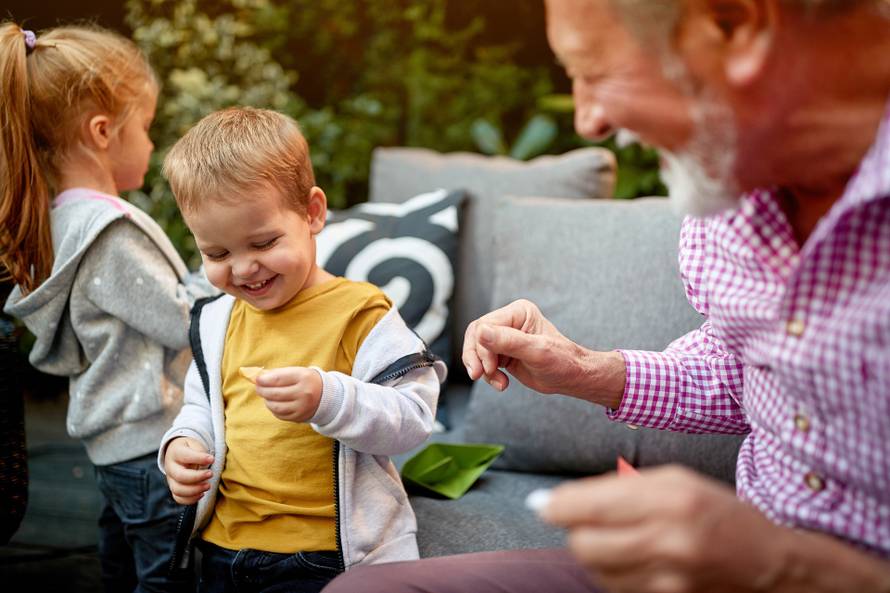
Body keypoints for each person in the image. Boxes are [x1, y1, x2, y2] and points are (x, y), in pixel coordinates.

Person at [323, 0, 890, 592]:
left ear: (733, 21)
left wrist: (783, 564)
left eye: (594, 72)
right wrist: (581, 370)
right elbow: (743, 373)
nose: (588, 122)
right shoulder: (727, 192)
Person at [159, 107, 445, 593]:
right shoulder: (217, 320)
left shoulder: (361, 313)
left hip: (328, 558)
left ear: (313, 213)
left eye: (264, 242)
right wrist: (182, 446)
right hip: (224, 548)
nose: (245, 268)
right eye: (218, 254)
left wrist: (330, 399)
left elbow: (413, 417)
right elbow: (202, 406)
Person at [0, 23, 216, 592]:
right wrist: (218, 277)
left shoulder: (64, 221)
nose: (151, 143)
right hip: (152, 445)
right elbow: (181, 321)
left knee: (124, 567)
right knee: (168, 578)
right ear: (102, 132)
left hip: (116, 450)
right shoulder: (110, 235)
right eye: (144, 127)